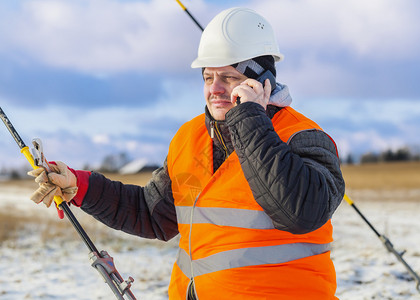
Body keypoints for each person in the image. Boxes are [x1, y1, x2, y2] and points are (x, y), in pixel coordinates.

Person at [29, 7, 345, 300]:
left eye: (229, 77)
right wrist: (81, 186)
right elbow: (153, 215)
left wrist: (249, 117)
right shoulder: (189, 138)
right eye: (208, 77)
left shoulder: (304, 138)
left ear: (261, 82)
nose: (215, 89)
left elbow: (299, 212)